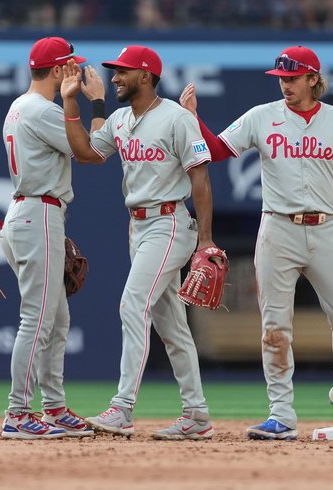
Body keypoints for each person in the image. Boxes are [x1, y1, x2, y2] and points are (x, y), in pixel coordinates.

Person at [179, 45, 333, 440]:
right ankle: (281, 415)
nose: (285, 85)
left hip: (326, 229)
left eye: (292, 78)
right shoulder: (263, 116)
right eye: (281, 78)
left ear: (314, 78)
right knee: (275, 327)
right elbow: (216, 150)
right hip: (277, 229)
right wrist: (193, 120)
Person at [61, 46, 218, 440]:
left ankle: (122, 407)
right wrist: (77, 103)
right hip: (139, 227)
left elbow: (200, 178)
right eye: (114, 71)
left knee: (133, 304)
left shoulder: (178, 119)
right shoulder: (119, 119)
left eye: (122, 71)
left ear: (145, 76)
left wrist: (206, 241)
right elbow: (87, 154)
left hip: (169, 223)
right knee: (172, 326)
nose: (114, 77)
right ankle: (197, 415)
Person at [0, 37, 103, 439]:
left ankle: (54, 407)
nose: (76, 72)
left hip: (35, 212)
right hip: (37, 213)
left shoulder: (19, 106)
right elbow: (92, 151)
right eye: (71, 66)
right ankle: (17, 413)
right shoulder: (40, 110)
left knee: (57, 321)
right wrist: (95, 104)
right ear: (58, 71)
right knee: (38, 320)